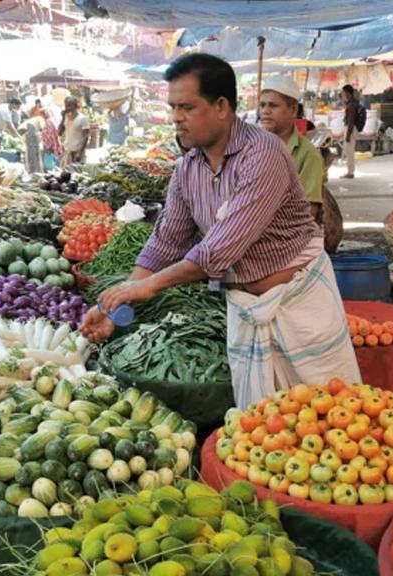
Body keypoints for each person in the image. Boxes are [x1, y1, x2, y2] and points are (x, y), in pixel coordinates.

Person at [79, 53, 359, 408]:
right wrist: (115, 307)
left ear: (222, 106)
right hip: (244, 309)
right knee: (265, 427)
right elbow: (164, 243)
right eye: (172, 108)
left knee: (334, 418)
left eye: (187, 107)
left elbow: (217, 251)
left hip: (300, 305)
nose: (176, 118)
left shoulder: (264, 154)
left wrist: (146, 286)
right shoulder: (186, 170)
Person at [260, 76, 324, 219]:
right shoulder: (251, 147)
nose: (265, 111)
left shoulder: (308, 154)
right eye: (262, 105)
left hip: (288, 235)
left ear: (293, 110)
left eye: (273, 105)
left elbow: (308, 210)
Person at [60, 96, 89, 167]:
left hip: (77, 153)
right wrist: (63, 118)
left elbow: (86, 137)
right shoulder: (66, 117)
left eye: (70, 105)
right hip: (67, 152)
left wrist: (80, 152)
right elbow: (60, 132)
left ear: (75, 106)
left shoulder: (82, 118)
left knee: (77, 175)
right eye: (66, 105)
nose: (68, 107)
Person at [341, 84, 359, 179]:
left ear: (347, 93)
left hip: (350, 129)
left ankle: (350, 172)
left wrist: (348, 134)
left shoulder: (351, 105)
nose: (342, 95)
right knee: (349, 151)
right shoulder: (351, 103)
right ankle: (349, 171)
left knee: (349, 151)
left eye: (343, 93)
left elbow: (351, 120)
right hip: (350, 128)